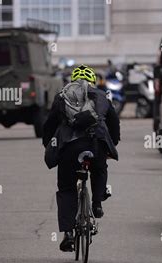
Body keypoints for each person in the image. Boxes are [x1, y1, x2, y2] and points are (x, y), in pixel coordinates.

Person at [42, 65, 120, 252]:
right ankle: (98, 203)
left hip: (69, 147)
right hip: (96, 143)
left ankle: (68, 233)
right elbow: (114, 123)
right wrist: (112, 144)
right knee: (99, 168)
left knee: (67, 188)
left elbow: (49, 124)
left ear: (72, 81)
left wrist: (48, 144)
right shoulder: (102, 97)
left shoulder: (62, 97)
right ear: (93, 81)